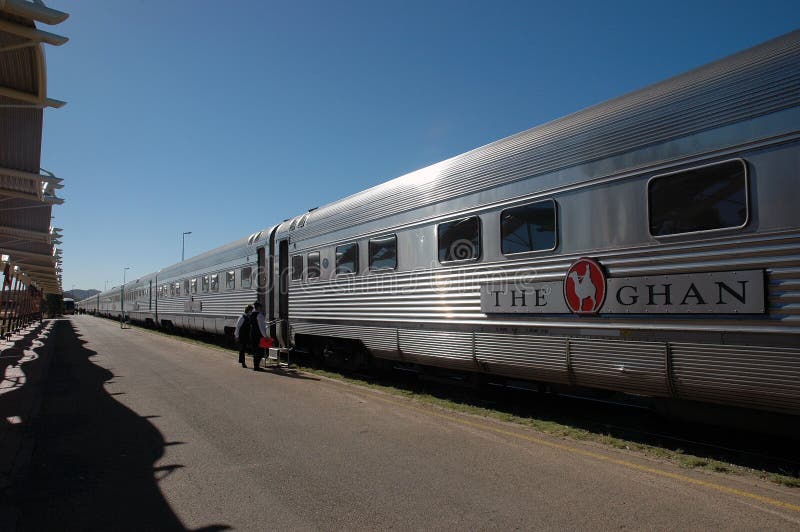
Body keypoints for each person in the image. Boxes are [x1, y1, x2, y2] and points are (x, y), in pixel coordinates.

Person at [250, 301, 268, 371]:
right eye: (260, 307)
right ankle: (256, 366)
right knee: (260, 351)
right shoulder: (259, 315)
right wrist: (265, 336)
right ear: (259, 307)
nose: (261, 308)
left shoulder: (252, 314)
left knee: (255, 351)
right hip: (259, 336)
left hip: (253, 334)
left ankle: (255, 365)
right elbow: (261, 327)